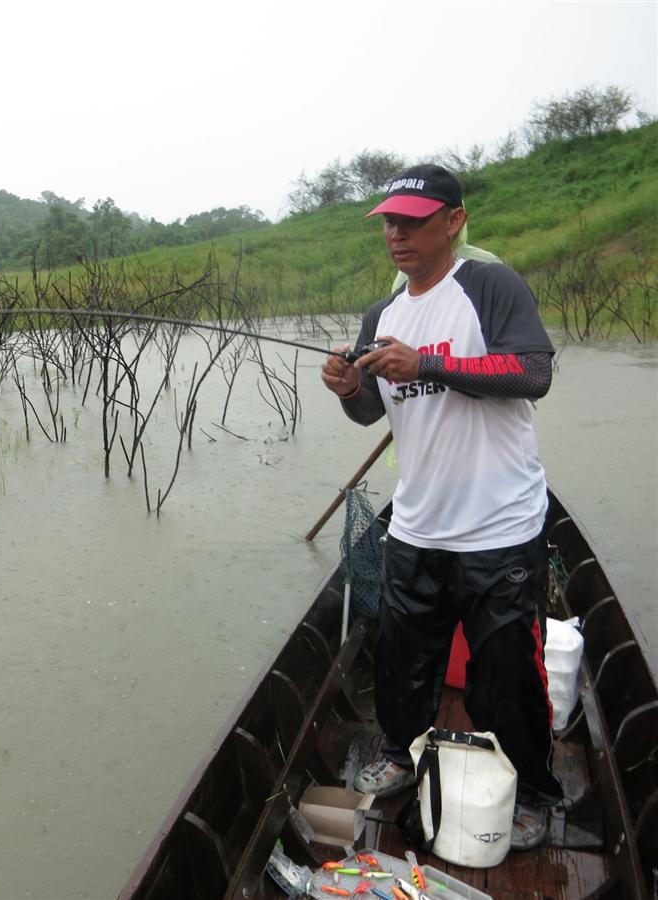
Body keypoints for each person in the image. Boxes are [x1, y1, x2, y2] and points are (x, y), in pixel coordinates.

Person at [320, 164, 562, 852]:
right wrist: (347, 387)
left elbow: (531, 372)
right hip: (419, 524)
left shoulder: (489, 287)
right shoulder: (382, 315)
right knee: (402, 660)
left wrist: (426, 363)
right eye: (390, 222)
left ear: (453, 221)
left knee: (509, 673)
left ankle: (535, 791)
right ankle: (399, 753)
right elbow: (373, 411)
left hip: (500, 526)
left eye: (414, 220)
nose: (397, 233)